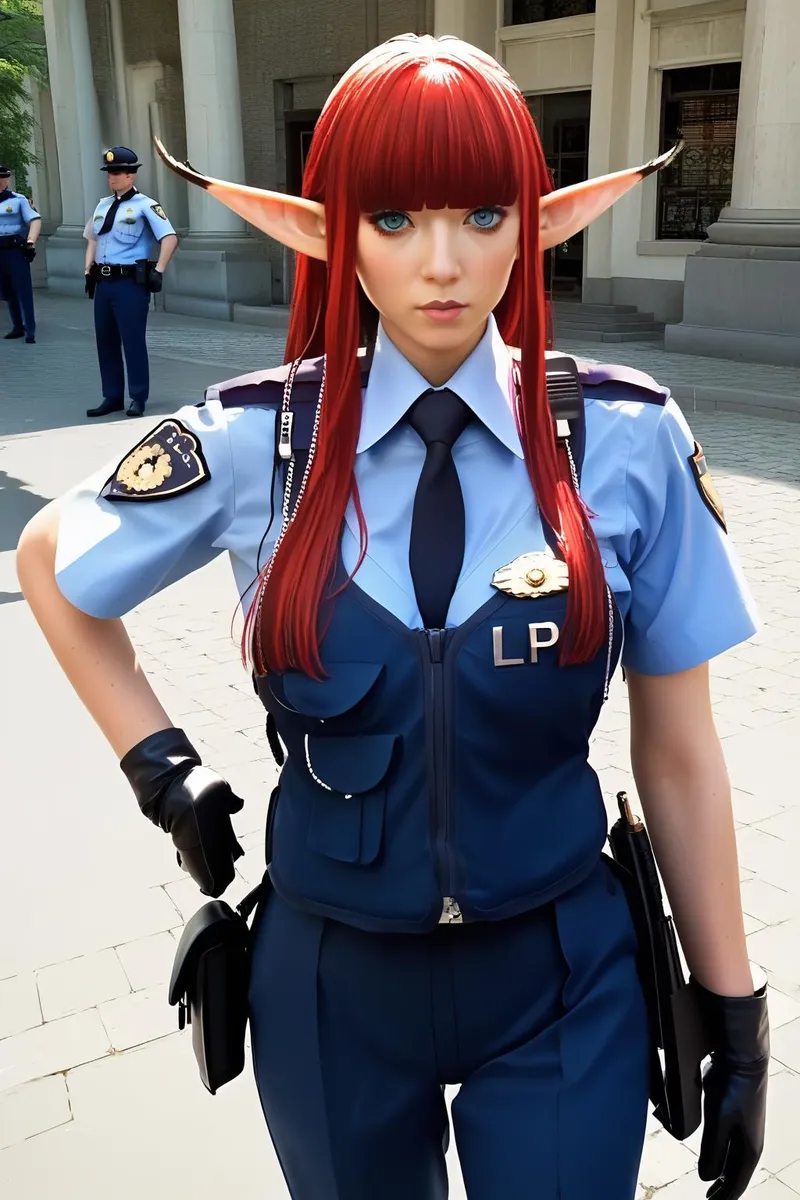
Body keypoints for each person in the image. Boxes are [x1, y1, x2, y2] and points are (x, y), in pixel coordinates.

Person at [17, 35, 769, 1200]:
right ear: (327, 230)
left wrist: (734, 1008)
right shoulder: (251, 441)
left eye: (479, 213)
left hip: (563, 973)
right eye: (392, 220)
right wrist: (160, 768)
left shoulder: (625, 440)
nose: (441, 264)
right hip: (329, 983)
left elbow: (675, 746)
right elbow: (52, 561)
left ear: (536, 221)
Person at [83, 146, 178, 419]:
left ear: (131, 175)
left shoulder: (146, 206)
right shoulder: (103, 204)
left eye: (117, 172)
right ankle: (111, 396)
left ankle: (137, 396)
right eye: (109, 173)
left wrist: (158, 269)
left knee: (133, 340)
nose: (111, 177)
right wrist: (87, 266)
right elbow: (92, 237)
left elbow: (169, 237)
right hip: (104, 282)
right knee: (105, 340)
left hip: (130, 283)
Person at [0, 164, 40, 344]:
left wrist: (31, 241)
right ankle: (17, 327)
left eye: (3, 177)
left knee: (22, 290)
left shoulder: (18, 200)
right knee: (7, 291)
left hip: (15, 250)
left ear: (7, 179)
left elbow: (34, 219)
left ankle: (29, 330)